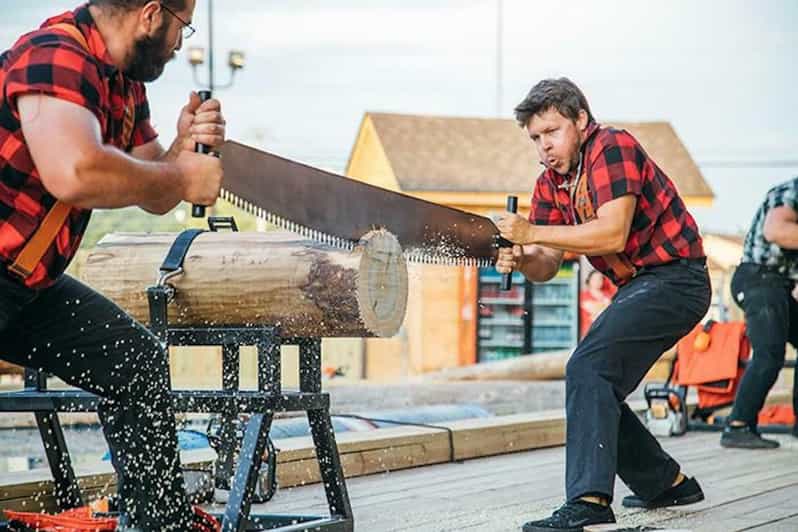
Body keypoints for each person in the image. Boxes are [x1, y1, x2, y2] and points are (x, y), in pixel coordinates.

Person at [0, 1, 224, 530]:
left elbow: (152, 189)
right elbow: (75, 172)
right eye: (181, 25)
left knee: (136, 362)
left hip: (26, 284)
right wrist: (183, 178)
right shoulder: (52, 56)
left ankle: (159, 523)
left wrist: (182, 148)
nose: (178, 42)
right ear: (151, 14)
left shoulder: (123, 84)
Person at [495, 78, 711, 531]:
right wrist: (520, 253)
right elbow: (548, 265)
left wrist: (530, 233)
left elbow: (611, 232)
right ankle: (666, 483)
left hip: (678, 278)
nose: (544, 146)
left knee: (588, 369)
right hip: (639, 284)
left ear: (580, 119)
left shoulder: (611, 146)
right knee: (597, 380)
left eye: (552, 132)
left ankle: (590, 502)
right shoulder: (550, 184)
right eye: (535, 137)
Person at [721, 177, 798, 449]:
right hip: (758, 279)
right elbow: (776, 230)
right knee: (769, 353)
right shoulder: (793, 190)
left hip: (778, 284)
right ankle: (738, 425)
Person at [578, 269, 614, 339]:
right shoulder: (583, 295)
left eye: (600, 279)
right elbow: (591, 308)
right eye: (595, 279)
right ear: (589, 280)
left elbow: (611, 310)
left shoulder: (608, 295)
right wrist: (605, 305)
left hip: (605, 333)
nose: (597, 281)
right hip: (587, 333)